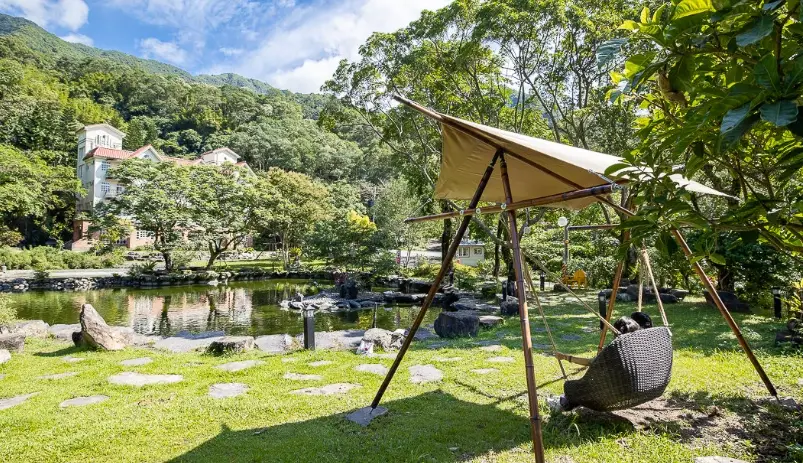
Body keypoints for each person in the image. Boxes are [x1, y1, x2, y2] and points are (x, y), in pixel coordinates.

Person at [548, 313, 653, 412]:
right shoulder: (642, 349)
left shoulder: (614, 353)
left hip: (613, 395)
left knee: (574, 389)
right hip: (637, 391)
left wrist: (565, 357)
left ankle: (561, 403)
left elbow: (590, 362)